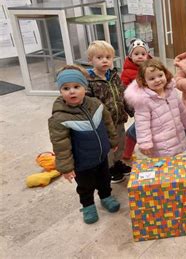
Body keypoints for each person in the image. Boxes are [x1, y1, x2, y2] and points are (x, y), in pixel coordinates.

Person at [48, 65, 120, 224]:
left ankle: (106, 196)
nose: (72, 91)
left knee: (104, 178)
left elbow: (108, 123)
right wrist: (66, 167)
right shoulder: (60, 117)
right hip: (82, 162)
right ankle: (88, 206)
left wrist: (113, 141)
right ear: (60, 91)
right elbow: (60, 144)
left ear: (84, 87)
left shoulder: (96, 104)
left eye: (76, 86)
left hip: (101, 156)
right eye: (66, 88)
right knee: (85, 186)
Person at [124, 58, 186, 157]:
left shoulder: (171, 91)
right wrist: (145, 143)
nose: (157, 80)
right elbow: (142, 124)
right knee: (163, 168)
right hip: (160, 145)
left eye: (160, 75)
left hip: (176, 137)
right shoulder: (143, 100)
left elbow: (182, 111)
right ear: (144, 81)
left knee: (176, 165)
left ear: (165, 74)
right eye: (151, 78)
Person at [86, 40, 130, 183]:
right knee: (109, 146)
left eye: (108, 57)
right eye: (99, 58)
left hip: (119, 118)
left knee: (121, 142)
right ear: (90, 60)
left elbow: (123, 94)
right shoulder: (89, 80)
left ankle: (118, 162)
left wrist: (129, 110)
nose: (104, 61)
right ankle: (109, 168)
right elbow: (88, 103)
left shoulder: (115, 76)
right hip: (103, 122)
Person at [120, 39, 152, 160]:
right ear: (130, 55)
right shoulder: (127, 71)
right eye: (136, 54)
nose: (140, 57)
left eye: (143, 54)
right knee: (137, 128)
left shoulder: (151, 67)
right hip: (138, 105)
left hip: (152, 103)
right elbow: (124, 89)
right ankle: (126, 152)